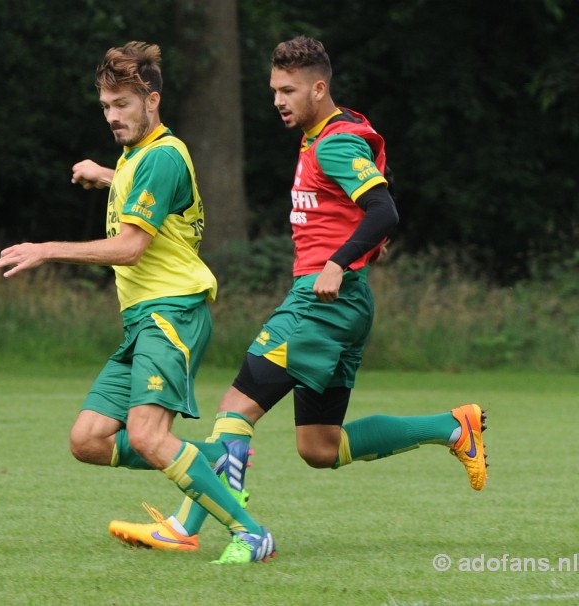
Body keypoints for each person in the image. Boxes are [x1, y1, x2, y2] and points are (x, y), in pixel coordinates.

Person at [107, 35, 488, 552]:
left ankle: (193, 531)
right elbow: (369, 195)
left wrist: (337, 262)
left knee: (235, 409)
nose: (278, 101)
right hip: (345, 305)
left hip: (323, 301)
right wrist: (112, 176)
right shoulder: (327, 132)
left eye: (288, 90)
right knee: (320, 446)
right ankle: (452, 427)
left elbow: (384, 210)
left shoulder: (332, 141)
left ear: (319, 86)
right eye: (273, 91)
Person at [0, 41, 275, 565]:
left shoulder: (163, 156)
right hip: (141, 322)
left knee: (146, 435)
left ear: (153, 101)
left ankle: (251, 533)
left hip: (172, 313)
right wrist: (104, 174)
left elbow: (131, 247)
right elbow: (136, 182)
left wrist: (47, 248)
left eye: (123, 104)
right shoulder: (136, 158)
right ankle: (216, 458)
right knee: (89, 440)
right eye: (106, 106)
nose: (113, 116)